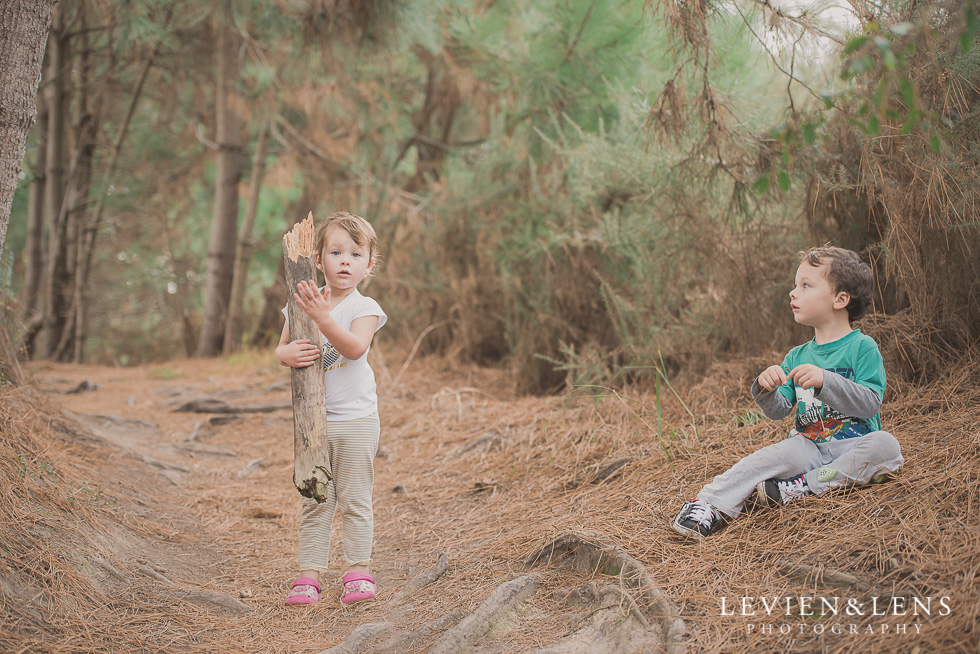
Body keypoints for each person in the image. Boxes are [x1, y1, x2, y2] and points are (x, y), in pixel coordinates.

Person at [672, 246, 904, 538]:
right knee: (766, 458)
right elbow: (779, 410)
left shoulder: (862, 347)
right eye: (795, 285)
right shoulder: (797, 355)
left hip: (852, 448)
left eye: (805, 285)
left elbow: (870, 403)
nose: (793, 293)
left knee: (887, 446)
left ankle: (801, 487)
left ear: (840, 299)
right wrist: (766, 388)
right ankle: (708, 504)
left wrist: (825, 381)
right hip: (808, 449)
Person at [275, 211, 387, 604]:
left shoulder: (365, 307)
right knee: (316, 498)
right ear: (318, 260)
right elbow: (280, 348)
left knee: (355, 497)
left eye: (355, 254)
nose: (344, 261)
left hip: (356, 420)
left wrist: (323, 318)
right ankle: (309, 574)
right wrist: (286, 353)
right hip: (314, 423)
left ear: (368, 265)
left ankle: (358, 570)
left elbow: (355, 349)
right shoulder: (302, 300)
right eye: (335, 252)